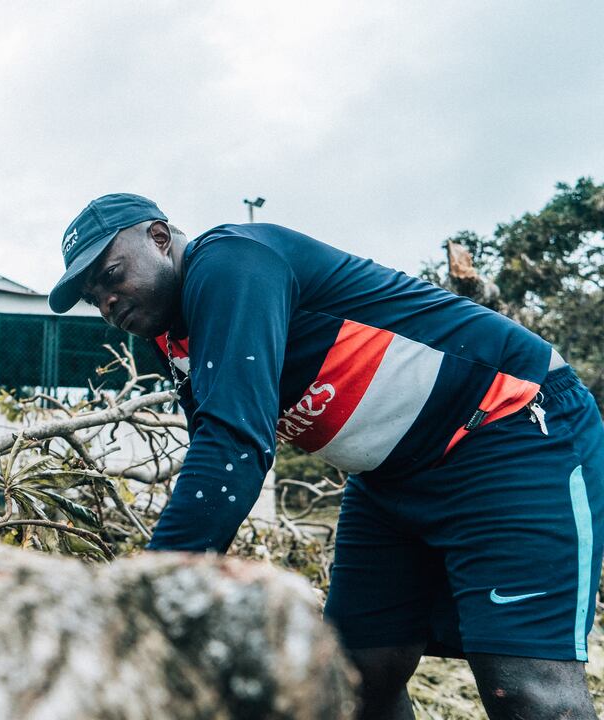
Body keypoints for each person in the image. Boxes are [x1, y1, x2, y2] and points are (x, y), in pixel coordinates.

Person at [49, 193, 604, 720]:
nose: (107, 301)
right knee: (356, 678)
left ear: (161, 237)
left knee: (526, 689)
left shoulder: (231, 264)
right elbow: (213, 450)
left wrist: (140, 597)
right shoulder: (172, 337)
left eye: (112, 276)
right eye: (93, 296)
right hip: (390, 479)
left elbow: (233, 449)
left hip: (509, 431)